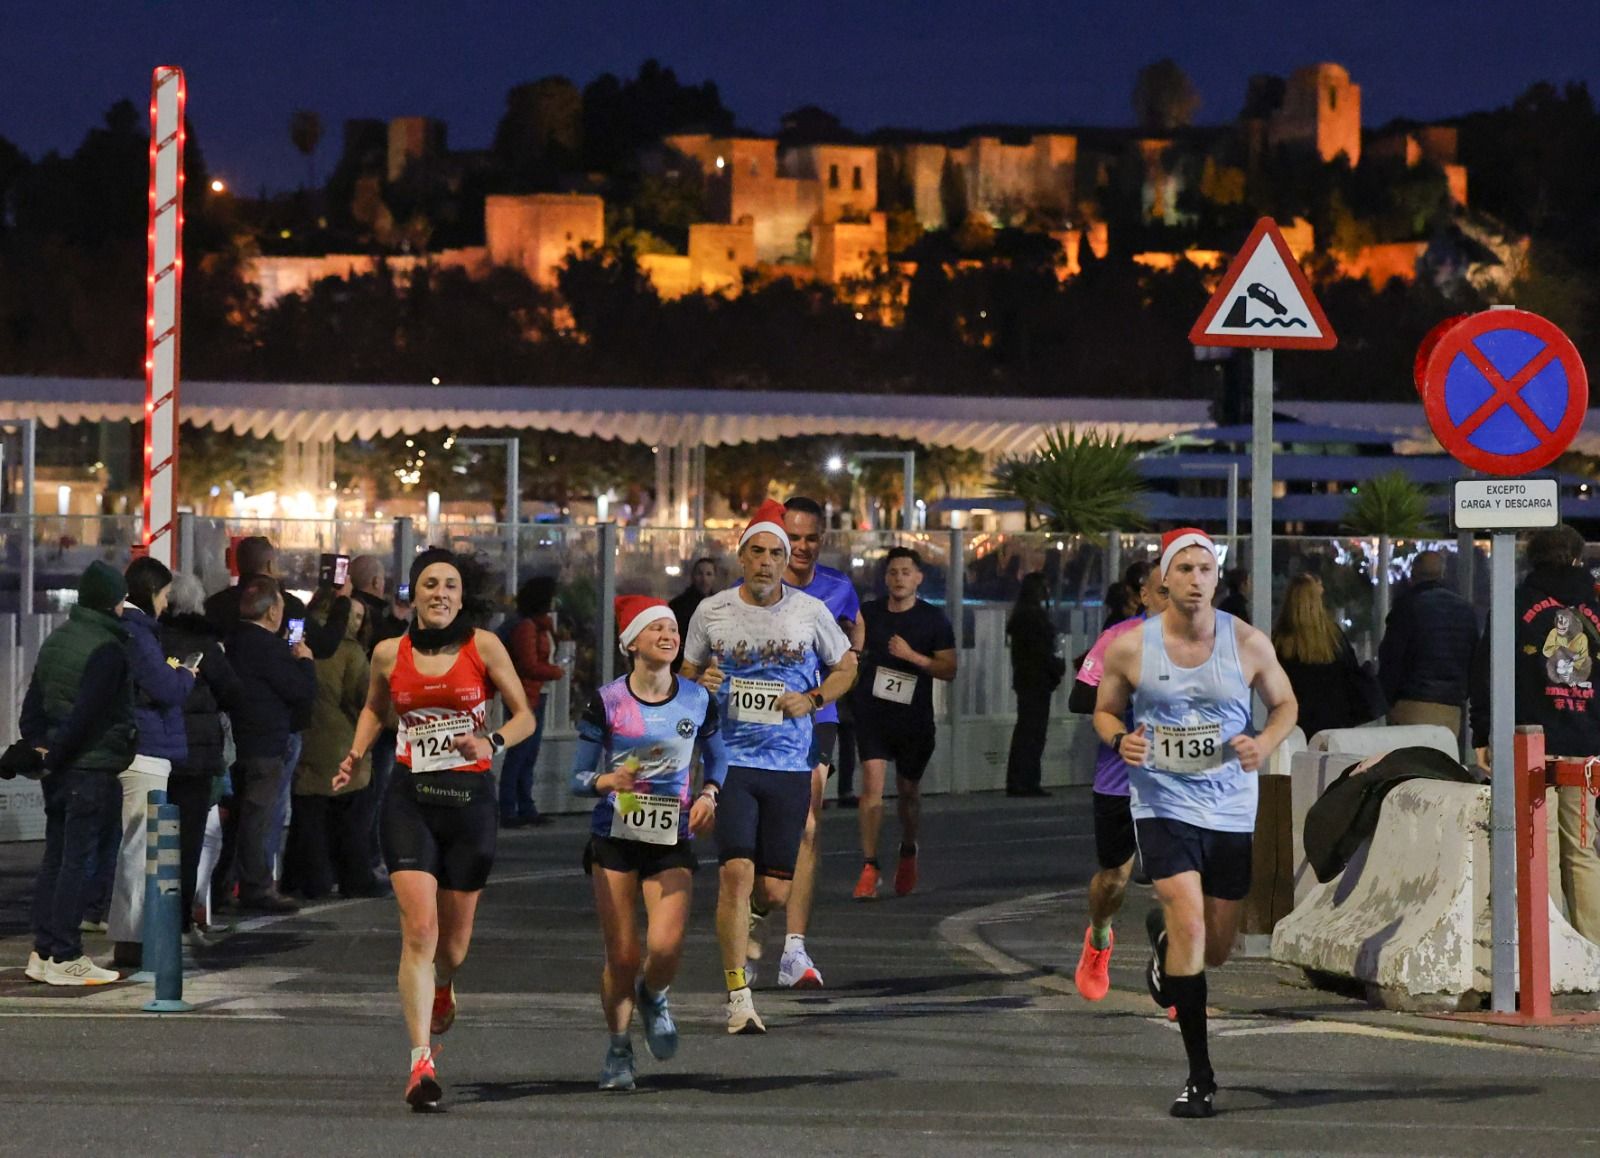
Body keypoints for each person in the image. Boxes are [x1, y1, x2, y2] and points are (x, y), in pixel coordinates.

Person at [1092, 527, 1297, 1118]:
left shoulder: (1249, 642)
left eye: (1205, 570)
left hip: (1230, 804)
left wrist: (1264, 741)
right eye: (1183, 569)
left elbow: (1286, 704)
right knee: (1190, 925)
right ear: (1162, 578)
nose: (1195, 580)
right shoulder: (1132, 647)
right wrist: (1120, 739)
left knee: (1219, 947)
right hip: (1160, 801)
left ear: (1217, 578)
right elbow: (1105, 711)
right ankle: (1200, 1077)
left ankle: (1162, 943)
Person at [335, 548, 536, 1111]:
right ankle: (420, 1060)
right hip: (411, 800)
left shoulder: (484, 647)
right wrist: (355, 754)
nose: (440, 594)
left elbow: (525, 716)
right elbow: (377, 708)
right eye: (429, 584)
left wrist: (490, 742)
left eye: (449, 585)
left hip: (469, 804)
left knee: (453, 946)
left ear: (461, 595)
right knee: (418, 932)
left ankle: (445, 983)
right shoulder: (387, 653)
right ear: (413, 595)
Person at [680, 500, 856, 1034]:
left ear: (786, 562)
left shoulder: (809, 611)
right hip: (730, 761)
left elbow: (847, 664)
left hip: (789, 763)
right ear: (741, 557)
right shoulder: (712, 611)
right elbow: (683, 677)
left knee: (775, 890)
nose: (766, 562)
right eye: (756, 552)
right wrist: (697, 685)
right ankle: (738, 996)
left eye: (776, 554)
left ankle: (752, 921)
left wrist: (816, 696)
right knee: (735, 873)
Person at [571, 596, 726, 1090]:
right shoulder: (608, 701)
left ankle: (654, 994)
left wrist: (709, 794)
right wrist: (605, 782)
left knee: (665, 947)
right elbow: (576, 777)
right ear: (632, 642)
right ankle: (618, 1051)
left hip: (671, 836)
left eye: (673, 629)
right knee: (621, 954)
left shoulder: (698, 700)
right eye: (656, 628)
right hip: (614, 836)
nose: (668, 635)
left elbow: (718, 760)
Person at [742, 495, 864, 990]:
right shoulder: (749, 589)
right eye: (797, 537)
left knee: (809, 824)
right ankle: (752, 919)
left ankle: (794, 950)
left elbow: (855, 639)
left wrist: (842, 668)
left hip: (816, 716)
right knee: (759, 835)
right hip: (755, 721)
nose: (805, 547)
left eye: (814, 538)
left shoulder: (838, 588)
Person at [1469, 525, 1600, 941]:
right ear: (1579, 558)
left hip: (1529, 743)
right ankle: (1593, 952)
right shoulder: (1596, 602)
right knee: (1582, 850)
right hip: (1586, 744)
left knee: (1535, 848)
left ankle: (1546, 950)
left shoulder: (1515, 602)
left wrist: (1483, 732)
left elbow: (1487, 671)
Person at [19, 562, 135, 985]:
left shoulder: (57, 640)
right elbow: (89, 715)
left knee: (56, 858)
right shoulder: (107, 648)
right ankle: (67, 955)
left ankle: (44, 949)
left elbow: (32, 708)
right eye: (122, 599)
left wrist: (41, 752)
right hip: (91, 768)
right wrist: (61, 754)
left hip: (60, 772)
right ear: (111, 601)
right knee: (79, 863)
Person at [1067, 562, 1169, 1004]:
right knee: (1114, 878)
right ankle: (1100, 938)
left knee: (1179, 879)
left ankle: (1177, 975)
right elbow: (1078, 698)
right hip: (1119, 777)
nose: (1176, 597)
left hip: (1178, 782)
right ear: (1143, 595)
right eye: (1163, 590)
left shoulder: (1210, 640)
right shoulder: (1120, 639)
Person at [106, 557, 198, 969]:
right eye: (163, 596)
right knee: (141, 848)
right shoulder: (139, 633)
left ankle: (134, 937)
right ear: (151, 592)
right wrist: (186, 675)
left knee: (134, 845)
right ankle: (134, 939)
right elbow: (164, 686)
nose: (165, 605)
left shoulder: (126, 630)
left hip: (136, 748)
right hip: (147, 751)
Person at [850, 548, 957, 898]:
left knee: (908, 793)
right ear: (885, 578)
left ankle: (908, 849)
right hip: (873, 713)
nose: (899, 578)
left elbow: (949, 669)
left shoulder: (933, 620)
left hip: (913, 718)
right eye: (893, 572)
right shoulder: (869, 613)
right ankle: (869, 866)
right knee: (871, 786)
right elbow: (852, 650)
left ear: (918, 578)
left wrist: (912, 656)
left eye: (906, 572)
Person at [225, 575, 318, 914]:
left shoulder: (233, 641)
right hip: (266, 745)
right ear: (273, 612)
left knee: (236, 818)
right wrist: (305, 660)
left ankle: (226, 886)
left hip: (237, 743)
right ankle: (258, 887)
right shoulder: (271, 648)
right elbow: (301, 692)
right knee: (260, 818)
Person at [160, 573, 245, 942]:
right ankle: (179, 920)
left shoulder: (150, 639)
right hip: (196, 756)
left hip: (156, 751)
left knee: (148, 839)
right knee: (190, 840)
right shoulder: (206, 645)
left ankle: (145, 920)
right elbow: (233, 692)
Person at [285, 590, 378, 900]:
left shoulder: (297, 639)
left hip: (303, 739)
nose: (356, 621)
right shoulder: (350, 651)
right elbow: (364, 699)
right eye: (354, 615)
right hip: (342, 744)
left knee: (308, 819)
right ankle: (355, 878)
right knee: (351, 821)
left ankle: (309, 880)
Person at [1379, 549, 1479, 734]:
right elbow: (1474, 658)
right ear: (1441, 574)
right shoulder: (1465, 609)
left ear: (1413, 574)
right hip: (1451, 706)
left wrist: (1387, 700)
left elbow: (1391, 658)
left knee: (1409, 760)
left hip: (1411, 702)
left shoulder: (1407, 606)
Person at [1272, 574, 1383, 740]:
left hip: (1295, 726)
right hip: (1335, 724)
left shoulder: (1280, 641)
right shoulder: (1333, 637)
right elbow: (1350, 674)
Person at [500, 575, 566, 828]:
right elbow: (528, 665)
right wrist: (556, 671)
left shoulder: (540, 625)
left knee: (528, 754)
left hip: (536, 693)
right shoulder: (527, 626)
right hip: (524, 696)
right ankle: (510, 808)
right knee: (520, 753)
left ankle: (524, 806)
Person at [1005, 572, 1064, 797]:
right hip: (1036, 679)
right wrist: (1055, 668)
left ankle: (1021, 780)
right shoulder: (1034, 617)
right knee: (1033, 731)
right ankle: (1026, 780)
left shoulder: (1022, 616)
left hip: (1027, 679)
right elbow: (1041, 651)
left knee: (1027, 730)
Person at [668, 557, 720, 672]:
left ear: (714, 577)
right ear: (692, 576)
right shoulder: (678, 605)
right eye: (699, 574)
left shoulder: (720, 605)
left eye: (709, 574)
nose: (704, 579)